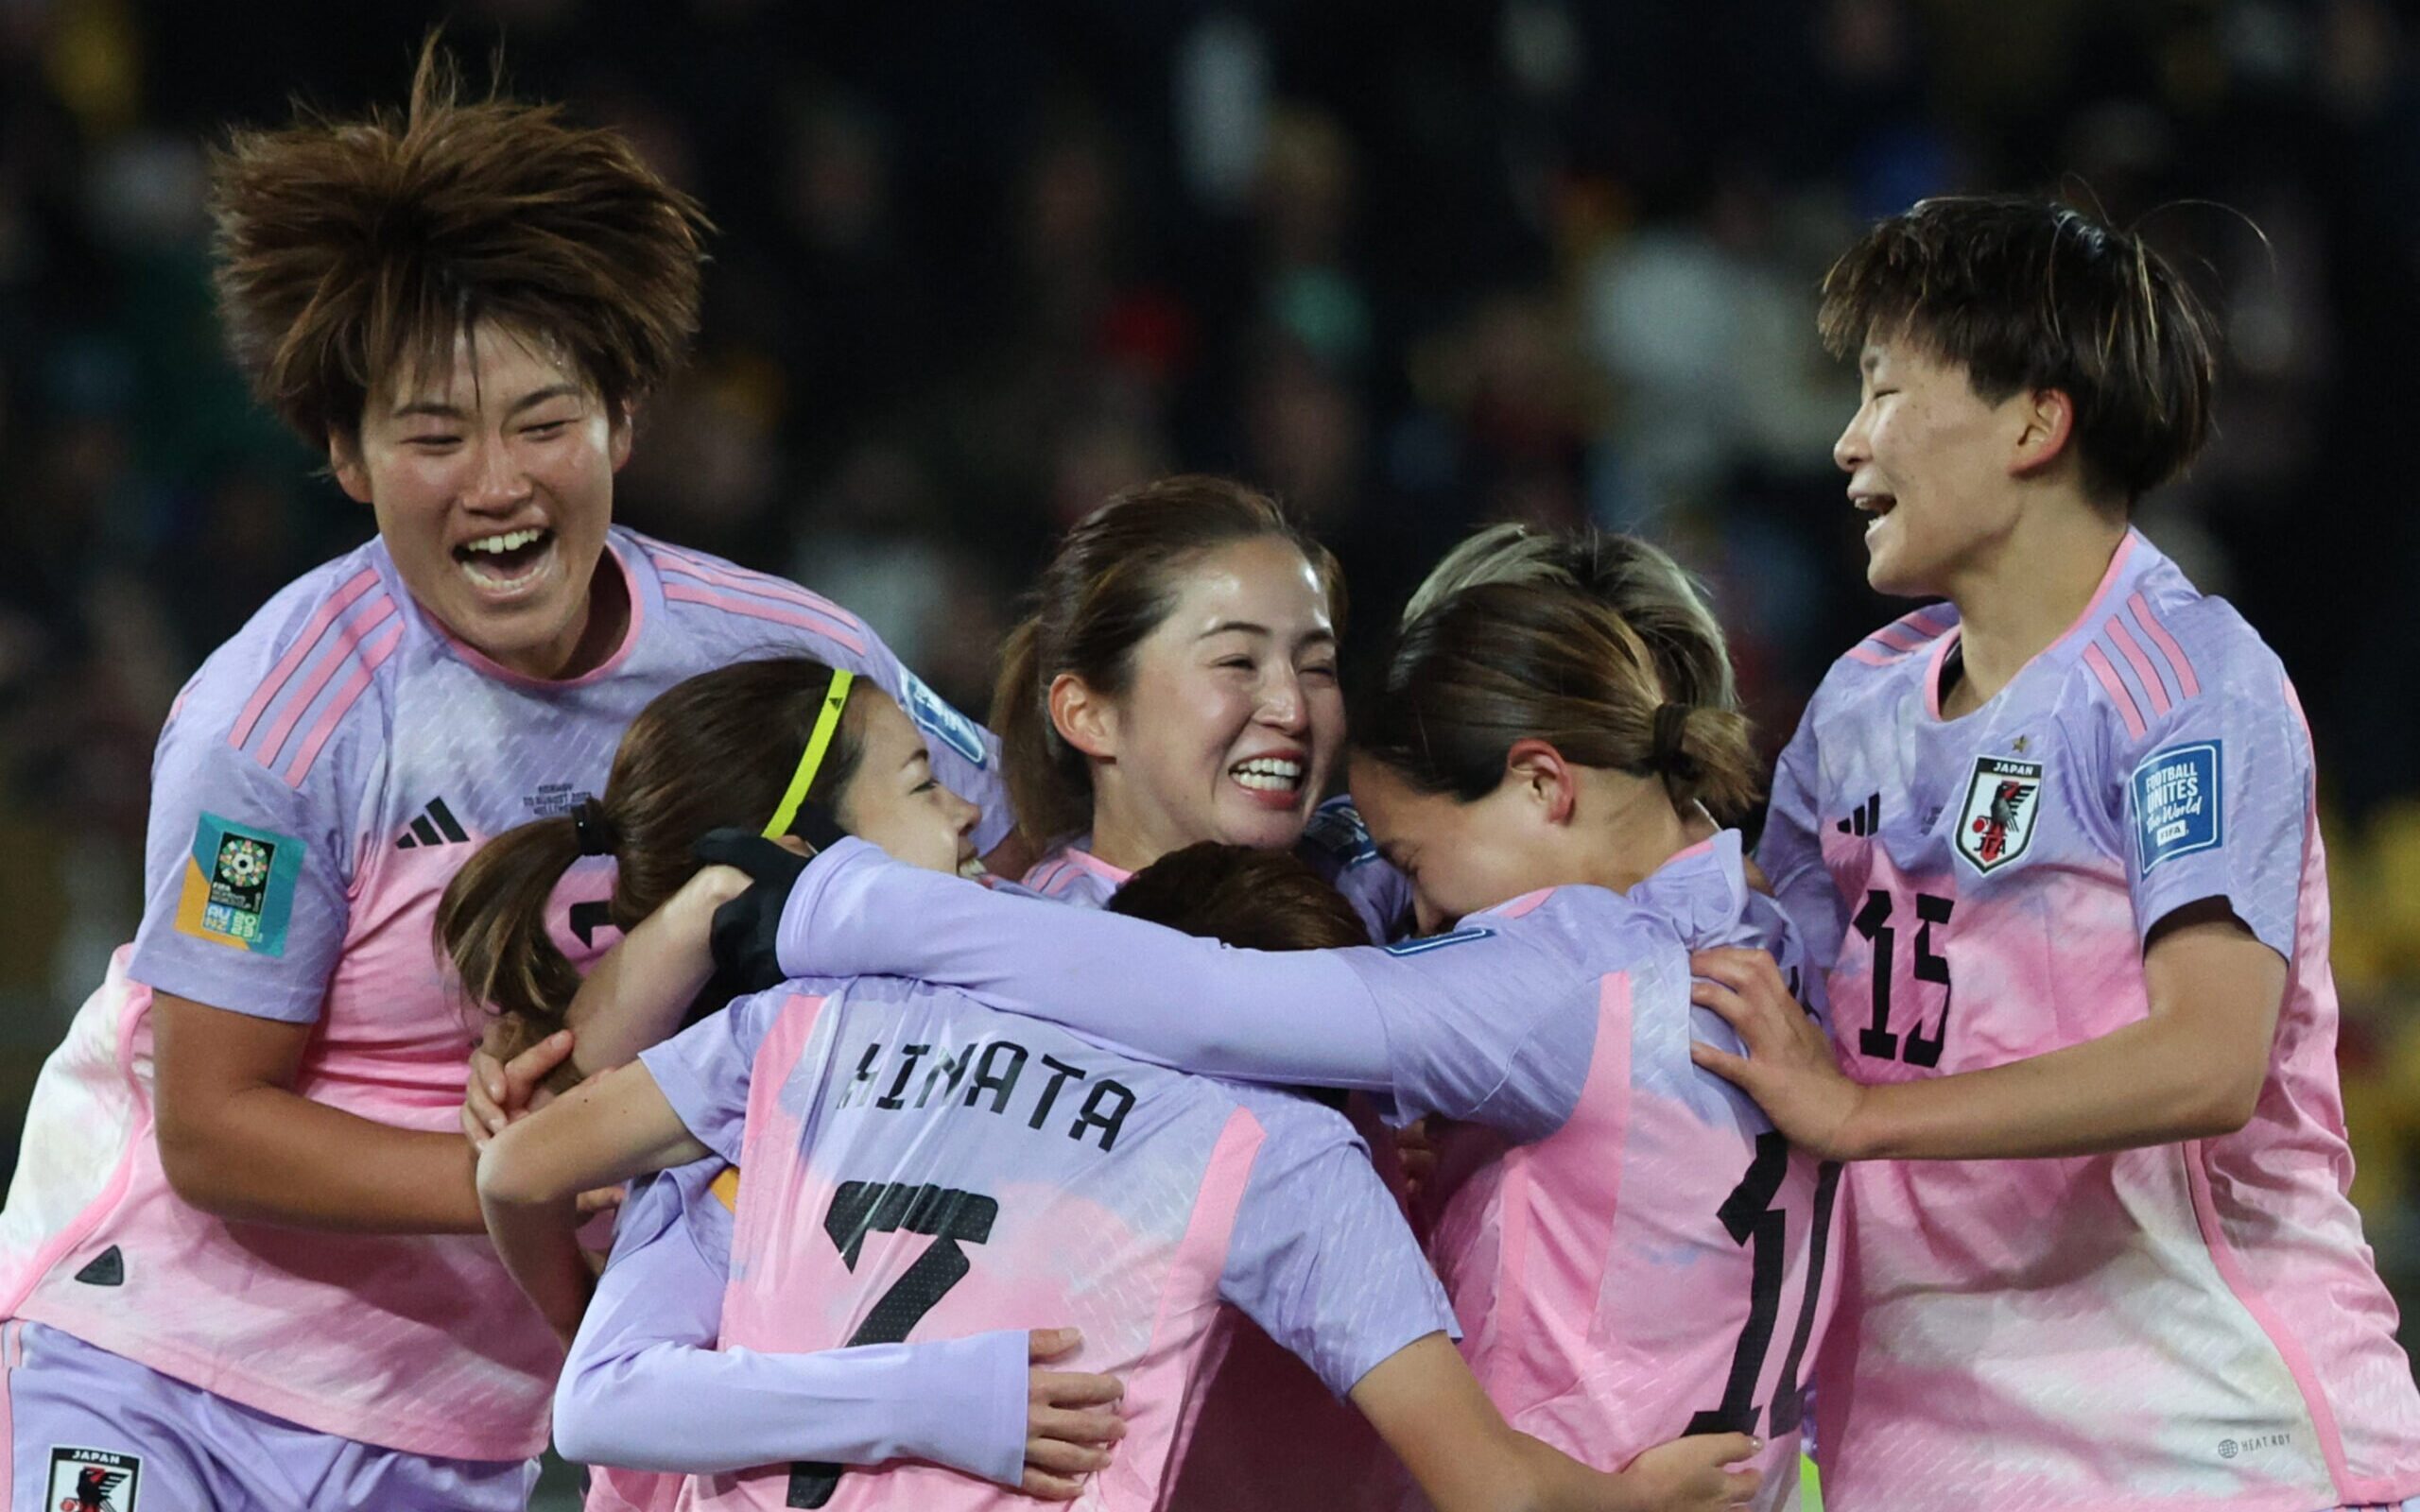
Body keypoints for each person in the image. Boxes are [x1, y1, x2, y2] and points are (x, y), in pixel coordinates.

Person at [0, 42, 1012, 1510]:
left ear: (625, 418)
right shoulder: (276, 725)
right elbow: (213, 1126)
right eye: (433, 434)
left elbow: (1002, 858)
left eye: (544, 421)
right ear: (345, 455)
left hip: (460, 1433)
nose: (496, 481)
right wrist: (548, 1170)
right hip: (154, 1365)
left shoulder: (794, 665)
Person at [701, 568, 1835, 1512]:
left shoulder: (1550, 970)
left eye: (1421, 865)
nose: (1427, 917)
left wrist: (855, 905)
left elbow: (1207, 997)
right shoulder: (1768, 934)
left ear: (1543, 783)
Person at [1686, 195, 2420, 1510]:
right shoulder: (1856, 708)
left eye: (1887, 389)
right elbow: (1763, 998)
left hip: (2199, 1437)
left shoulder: (2188, 682)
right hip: (1911, 1448)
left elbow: (2208, 1061)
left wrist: (1865, 1118)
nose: (1849, 442)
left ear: (2035, 418)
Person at [475, 830, 1766, 1510]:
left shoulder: (822, 1021)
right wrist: (1628, 1494)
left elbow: (517, 1175)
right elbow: (1491, 1489)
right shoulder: (1284, 1148)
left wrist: (582, 1312)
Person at [441, 659, 1122, 1508]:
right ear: (802, 857)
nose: (968, 809)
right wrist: (938, 1402)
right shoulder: (727, 1117)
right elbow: (601, 1395)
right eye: (920, 786)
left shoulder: (958, 1033)